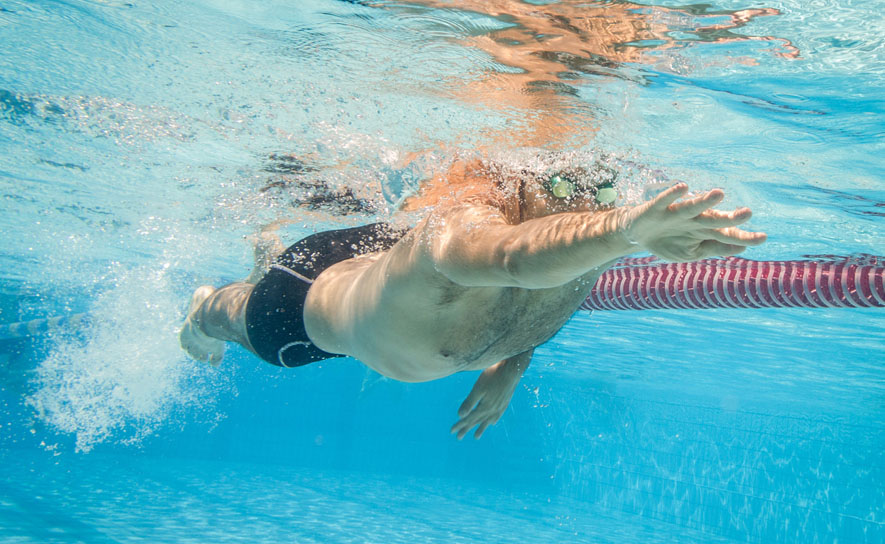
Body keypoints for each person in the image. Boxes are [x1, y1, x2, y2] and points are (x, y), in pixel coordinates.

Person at [179, 159, 766, 439]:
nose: (589, 200)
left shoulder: (581, 242)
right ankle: (207, 306)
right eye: (567, 184)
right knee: (232, 318)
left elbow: (535, 293)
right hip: (303, 303)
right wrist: (625, 229)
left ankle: (261, 255)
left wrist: (511, 363)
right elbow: (513, 261)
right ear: (529, 182)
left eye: (607, 191)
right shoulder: (461, 231)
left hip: (385, 262)